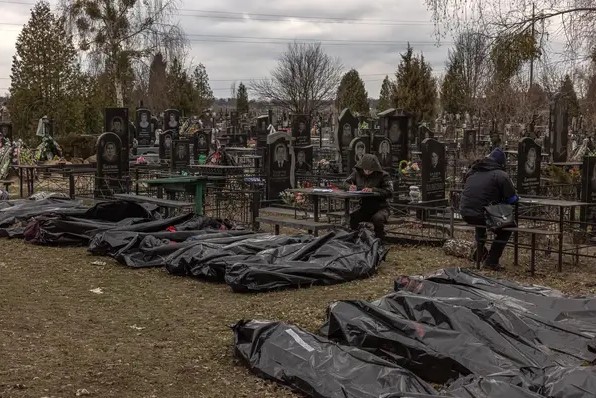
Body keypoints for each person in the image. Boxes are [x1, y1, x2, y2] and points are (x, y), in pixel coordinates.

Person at [460, 147, 519, 270]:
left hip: (466, 212)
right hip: (483, 214)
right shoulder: (501, 175)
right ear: (502, 163)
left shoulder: (473, 171)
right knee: (507, 228)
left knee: (479, 217)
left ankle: (480, 254)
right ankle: (491, 261)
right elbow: (512, 199)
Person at [345, 154, 394, 240]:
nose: (367, 172)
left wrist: (373, 190)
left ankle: (379, 240)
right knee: (353, 217)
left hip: (381, 207)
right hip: (364, 207)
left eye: (370, 170)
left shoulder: (384, 175)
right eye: (365, 169)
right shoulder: (357, 173)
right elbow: (345, 183)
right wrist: (349, 186)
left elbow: (389, 192)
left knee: (377, 219)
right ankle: (355, 239)